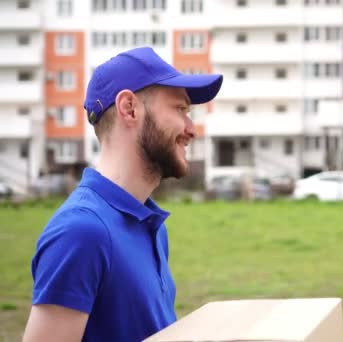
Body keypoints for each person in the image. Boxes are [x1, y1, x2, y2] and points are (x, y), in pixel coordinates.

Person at [23, 47, 223, 342]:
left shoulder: (151, 225)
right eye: (181, 110)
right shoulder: (82, 232)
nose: (191, 129)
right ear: (129, 108)